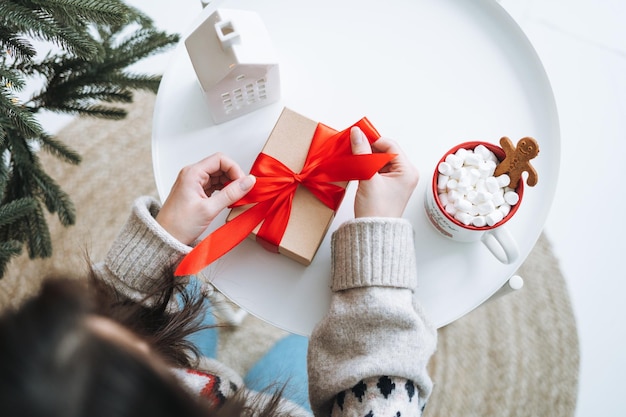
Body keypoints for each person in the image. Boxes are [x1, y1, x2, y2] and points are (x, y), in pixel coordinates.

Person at [0, 127, 437, 417]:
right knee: (302, 347)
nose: (124, 331)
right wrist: (378, 258)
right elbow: (383, 399)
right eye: (138, 354)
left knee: (186, 287)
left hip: (206, 379)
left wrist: (162, 238)